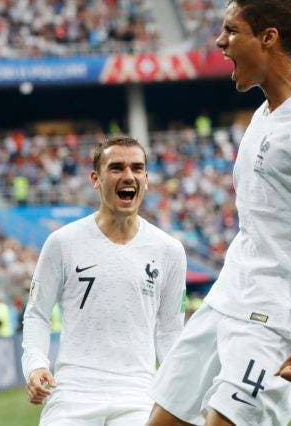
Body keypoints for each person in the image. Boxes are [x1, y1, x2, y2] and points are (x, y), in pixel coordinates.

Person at [147, 0, 291, 426]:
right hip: (229, 297)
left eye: (231, 30)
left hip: (277, 321)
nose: (219, 41)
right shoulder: (265, 112)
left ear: (268, 37)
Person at [22, 136, 187, 425]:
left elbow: (170, 331)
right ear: (96, 179)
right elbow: (37, 314)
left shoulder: (169, 250)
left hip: (137, 395)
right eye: (116, 168)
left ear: (146, 179)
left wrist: (179, 390)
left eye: (137, 168)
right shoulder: (62, 242)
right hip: (72, 394)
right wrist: (35, 366)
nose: (128, 176)